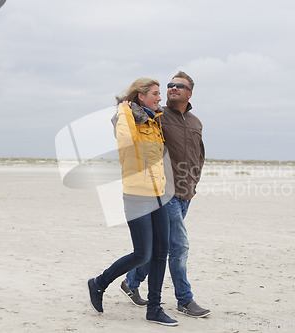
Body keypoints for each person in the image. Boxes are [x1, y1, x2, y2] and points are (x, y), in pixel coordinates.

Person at [88, 78, 178, 326]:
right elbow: (127, 142)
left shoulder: (154, 120)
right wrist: (125, 110)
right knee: (142, 254)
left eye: (160, 94)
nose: (160, 98)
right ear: (141, 96)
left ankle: (154, 308)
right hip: (137, 194)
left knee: (161, 253)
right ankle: (99, 283)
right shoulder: (125, 117)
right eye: (155, 94)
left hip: (159, 193)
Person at [120, 72, 210, 318]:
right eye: (170, 85)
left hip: (186, 193)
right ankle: (185, 300)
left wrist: (194, 183)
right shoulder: (157, 115)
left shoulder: (196, 122)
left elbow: (199, 156)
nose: (172, 88)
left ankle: (132, 282)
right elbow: (130, 128)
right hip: (163, 193)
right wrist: (128, 108)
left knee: (161, 247)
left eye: (179, 86)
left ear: (189, 93)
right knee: (178, 246)